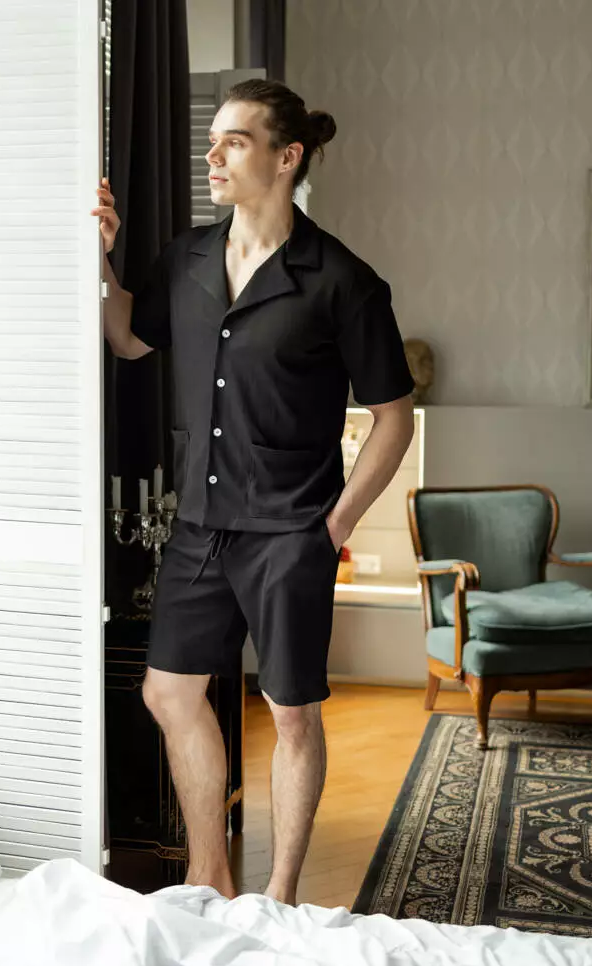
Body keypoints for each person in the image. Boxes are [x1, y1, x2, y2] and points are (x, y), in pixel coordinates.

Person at [94, 79, 415, 905]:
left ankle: (278, 898)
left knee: (293, 711)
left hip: (290, 530)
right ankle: (211, 874)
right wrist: (98, 257)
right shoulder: (187, 260)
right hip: (199, 525)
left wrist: (333, 526)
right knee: (168, 692)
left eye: (234, 141)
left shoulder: (343, 281)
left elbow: (394, 418)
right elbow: (128, 339)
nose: (213, 154)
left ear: (286, 157)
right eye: (214, 140)